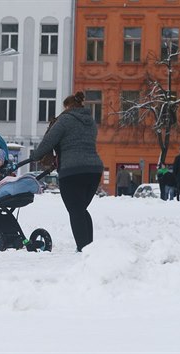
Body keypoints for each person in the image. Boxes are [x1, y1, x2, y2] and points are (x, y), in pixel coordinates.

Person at [30, 91, 104, 252]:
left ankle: (84, 249)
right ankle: (89, 249)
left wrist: (35, 156)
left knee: (75, 211)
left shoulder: (64, 120)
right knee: (80, 209)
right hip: (94, 170)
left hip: (72, 171)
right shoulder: (90, 121)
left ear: (68, 106)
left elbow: (48, 142)